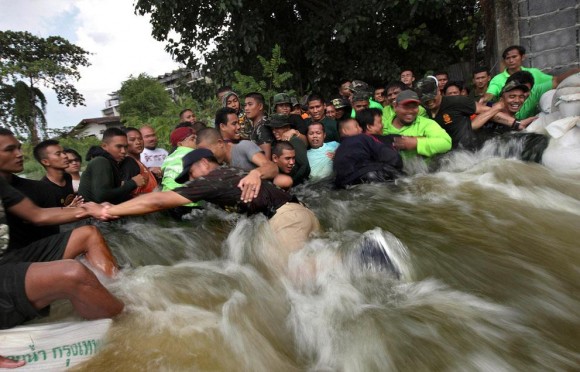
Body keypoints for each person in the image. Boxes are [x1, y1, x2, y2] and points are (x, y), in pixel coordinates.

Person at [81, 148, 319, 261]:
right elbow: (272, 167)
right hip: (300, 214)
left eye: (191, 173)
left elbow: (158, 200)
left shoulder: (212, 179)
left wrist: (107, 210)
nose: (192, 179)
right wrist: (257, 172)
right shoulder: (232, 174)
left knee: (294, 276)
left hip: (287, 219)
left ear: (204, 163)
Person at [0, 175, 123, 337]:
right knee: (72, 273)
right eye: (10, 149)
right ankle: (125, 324)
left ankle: (117, 290)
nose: (19, 153)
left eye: (17, 147)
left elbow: (38, 215)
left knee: (88, 234)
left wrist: (91, 210)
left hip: (8, 258)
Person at [482, 45, 580, 119]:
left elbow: (556, 80)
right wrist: (486, 100)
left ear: (522, 57)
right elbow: (490, 93)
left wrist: (577, 71)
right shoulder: (498, 80)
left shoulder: (535, 79)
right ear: (503, 93)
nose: (511, 60)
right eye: (508, 58)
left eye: (514, 57)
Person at [195, 128, 278, 200]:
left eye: (207, 152)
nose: (206, 157)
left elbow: (272, 168)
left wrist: (255, 173)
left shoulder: (243, 147)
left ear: (220, 143)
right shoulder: (220, 166)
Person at [78, 128, 146, 204]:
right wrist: (133, 183)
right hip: (92, 213)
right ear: (104, 146)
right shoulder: (100, 161)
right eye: (119, 147)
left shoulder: (112, 163)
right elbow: (102, 196)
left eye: (125, 147)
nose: (123, 151)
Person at [417, 76, 484, 150]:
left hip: (469, 152)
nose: (430, 102)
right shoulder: (423, 110)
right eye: (426, 99)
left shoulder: (457, 101)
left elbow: (486, 110)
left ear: (439, 91)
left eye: (432, 97)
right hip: (446, 154)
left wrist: (471, 126)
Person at [383, 90, 452, 158]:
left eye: (414, 107)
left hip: (425, 168)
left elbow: (446, 143)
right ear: (395, 107)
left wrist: (416, 143)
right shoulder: (382, 127)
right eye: (406, 106)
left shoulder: (426, 124)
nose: (410, 111)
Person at [333, 129, 403, 188]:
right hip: (370, 175)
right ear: (345, 131)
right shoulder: (363, 137)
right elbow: (391, 156)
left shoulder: (337, 150)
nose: (360, 129)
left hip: (346, 183)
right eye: (357, 126)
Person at [33, 139, 80, 207]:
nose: (65, 156)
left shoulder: (67, 177)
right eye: (58, 154)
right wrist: (69, 208)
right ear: (45, 162)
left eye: (64, 152)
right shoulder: (44, 188)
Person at [267, 114, 310, 187]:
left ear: (287, 128)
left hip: (300, 186)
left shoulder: (294, 140)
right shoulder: (280, 141)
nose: (274, 131)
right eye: (273, 128)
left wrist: (291, 183)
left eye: (277, 128)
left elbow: (305, 167)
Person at [123, 127, 157, 196]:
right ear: (124, 143)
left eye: (140, 139)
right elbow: (129, 192)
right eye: (132, 140)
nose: (138, 142)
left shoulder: (137, 161)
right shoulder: (129, 162)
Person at [244, 92, 275, 159]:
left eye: (250, 104)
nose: (246, 108)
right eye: (245, 105)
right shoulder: (256, 125)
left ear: (260, 106)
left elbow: (266, 160)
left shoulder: (263, 126)